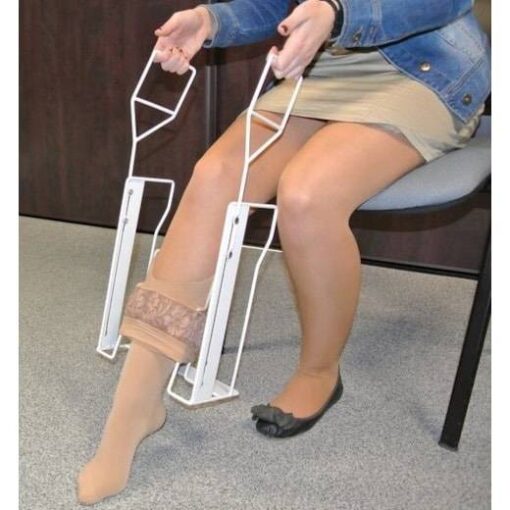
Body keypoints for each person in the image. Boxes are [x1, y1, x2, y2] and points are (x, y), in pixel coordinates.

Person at [76, 0, 490, 504]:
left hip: (424, 72)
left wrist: (337, 14)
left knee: (306, 195)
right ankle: (136, 405)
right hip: (324, 67)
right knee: (214, 177)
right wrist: (212, 21)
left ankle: (320, 370)